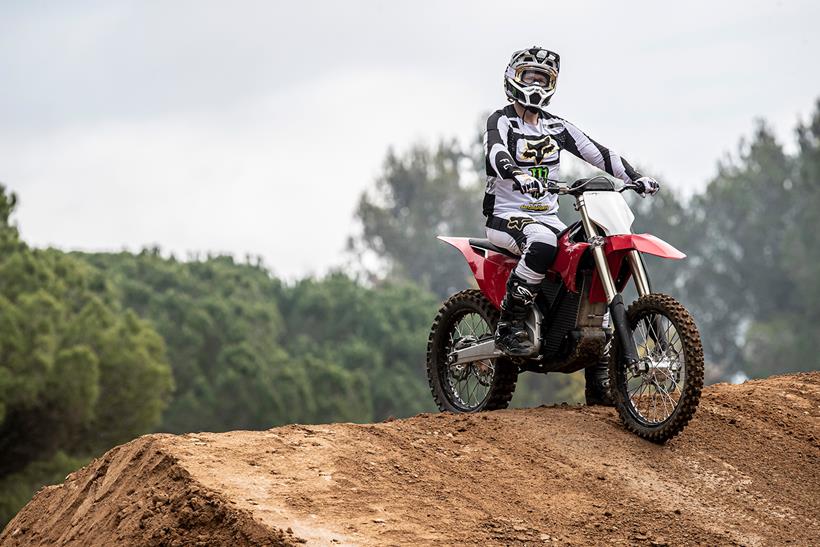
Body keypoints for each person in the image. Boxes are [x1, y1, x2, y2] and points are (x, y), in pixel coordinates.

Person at [483, 46, 659, 405]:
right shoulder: (501, 120)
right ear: (513, 78)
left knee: (590, 260)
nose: (535, 83)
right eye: (529, 75)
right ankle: (511, 323)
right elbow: (494, 152)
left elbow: (599, 152)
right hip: (507, 216)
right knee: (543, 244)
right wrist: (517, 174)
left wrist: (636, 177)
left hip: (548, 217)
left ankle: (598, 373)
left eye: (542, 78)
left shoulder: (556, 126)